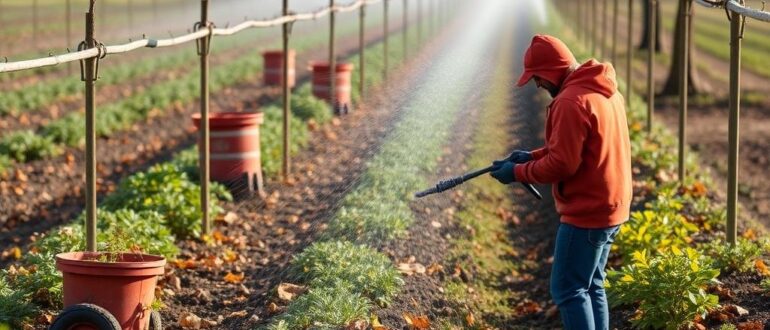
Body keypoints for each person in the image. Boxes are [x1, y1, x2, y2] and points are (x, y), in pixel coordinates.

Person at [488, 35, 632, 330]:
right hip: (612, 206)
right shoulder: (603, 90)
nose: (537, 85)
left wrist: (517, 173)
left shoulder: (570, 102)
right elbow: (578, 146)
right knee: (592, 284)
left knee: (568, 290)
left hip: (588, 211)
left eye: (537, 78)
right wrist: (531, 156)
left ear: (551, 71)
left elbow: (562, 164)